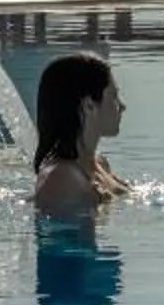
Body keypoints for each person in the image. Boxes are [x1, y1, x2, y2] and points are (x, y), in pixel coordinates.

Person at [31, 52, 129, 218]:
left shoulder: (100, 164)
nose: (122, 106)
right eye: (113, 97)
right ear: (88, 106)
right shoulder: (62, 179)